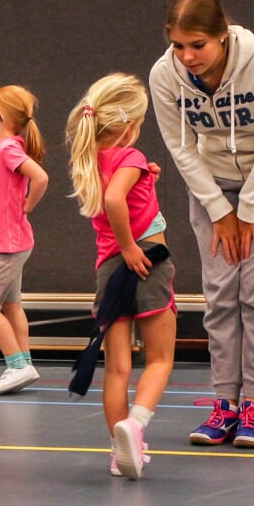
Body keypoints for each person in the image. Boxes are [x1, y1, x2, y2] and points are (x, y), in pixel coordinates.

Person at [149, 0, 254, 448]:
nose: (187, 56)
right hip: (212, 185)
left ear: (222, 36)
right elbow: (180, 147)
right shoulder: (165, 75)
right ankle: (225, 405)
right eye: (178, 45)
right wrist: (220, 210)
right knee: (220, 295)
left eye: (197, 44)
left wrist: (250, 210)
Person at [66, 73, 177, 480]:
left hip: (107, 268)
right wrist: (131, 246)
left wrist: (145, 181)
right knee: (161, 358)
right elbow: (116, 199)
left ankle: (119, 452)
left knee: (117, 368)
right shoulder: (128, 157)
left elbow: (118, 196)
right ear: (129, 126)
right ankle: (136, 425)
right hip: (144, 260)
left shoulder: (91, 157)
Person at [0, 85, 49, 395]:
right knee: (11, 304)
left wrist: (29, 204)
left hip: (7, 246)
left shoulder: (8, 149)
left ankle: (17, 365)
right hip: (9, 242)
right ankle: (25, 362)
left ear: (0, 115)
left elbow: (41, 177)